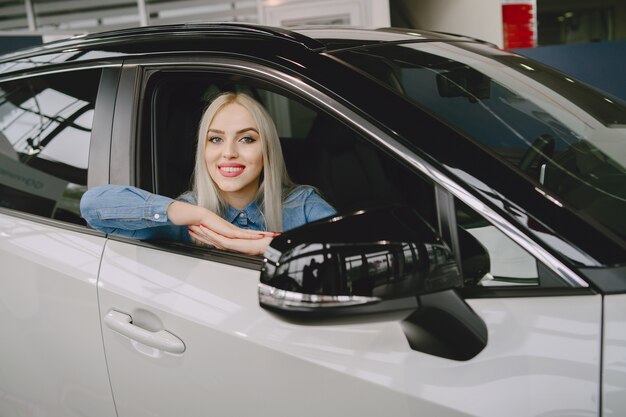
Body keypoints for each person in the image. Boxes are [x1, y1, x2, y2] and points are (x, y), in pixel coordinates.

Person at [80, 91, 336, 255]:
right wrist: (200, 214)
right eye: (215, 139)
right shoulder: (187, 214)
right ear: (202, 148)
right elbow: (93, 206)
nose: (228, 153)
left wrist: (268, 247)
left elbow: (353, 255)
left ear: (267, 149)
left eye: (246, 139)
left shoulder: (301, 204)